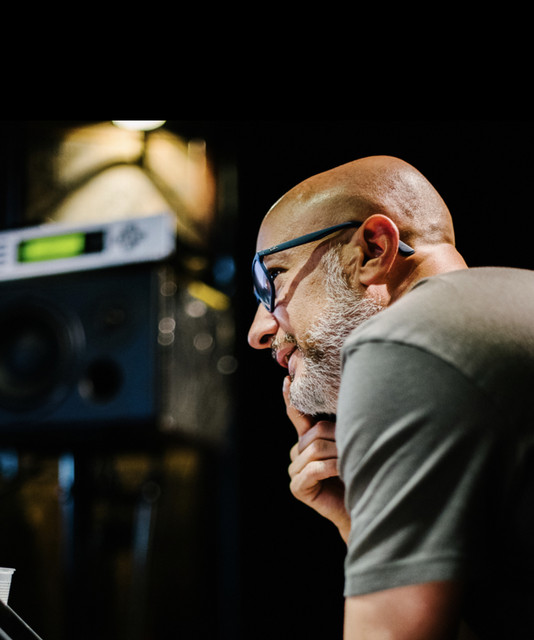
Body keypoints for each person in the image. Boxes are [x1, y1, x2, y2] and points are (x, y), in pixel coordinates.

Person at [247, 155, 534, 639]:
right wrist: (359, 524)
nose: (258, 331)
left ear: (373, 249)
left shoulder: (403, 341)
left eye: (271, 278)